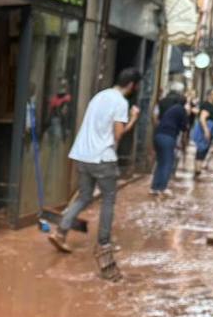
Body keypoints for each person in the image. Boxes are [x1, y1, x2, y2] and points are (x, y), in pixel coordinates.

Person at [48, 68, 142, 275]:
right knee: (108, 199)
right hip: (102, 158)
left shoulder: (99, 96)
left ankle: (61, 231)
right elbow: (118, 135)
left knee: (84, 197)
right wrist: (134, 119)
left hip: (83, 155)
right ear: (132, 85)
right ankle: (103, 244)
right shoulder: (120, 102)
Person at [150, 91, 189, 195]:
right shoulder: (181, 110)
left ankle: (154, 187)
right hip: (168, 137)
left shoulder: (172, 109)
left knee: (161, 162)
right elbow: (185, 129)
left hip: (158, 135)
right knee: (168, 163)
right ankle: (162, 188)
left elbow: (154, 117)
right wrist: (184, 144)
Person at [193, 89, 213, 177]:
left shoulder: (210, 105)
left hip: (209, 129)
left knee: (203, 149)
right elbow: (202, 118)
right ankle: (197, 170)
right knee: (202, 148)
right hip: (205, 130)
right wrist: (206, 130)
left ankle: (198, 170)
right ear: (210, 95)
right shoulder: (207, 105)